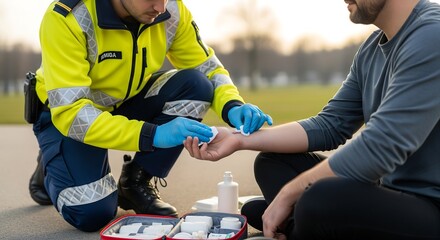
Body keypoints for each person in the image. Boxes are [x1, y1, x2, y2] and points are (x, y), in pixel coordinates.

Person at [184, 0, 440, 239]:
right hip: (392, 194)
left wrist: (289, 193)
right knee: (272, 161)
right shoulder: (371, 49)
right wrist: (239, 139)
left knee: (318, 198)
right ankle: (305, 223)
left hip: (431, 207)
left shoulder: (432, 35)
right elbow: (330, 125)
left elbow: (381, 146)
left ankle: (301, 221)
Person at [27, 0, 272, 232]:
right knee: (92, 213)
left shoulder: (170, 10)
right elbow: (72, 113)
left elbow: (206, 68)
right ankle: (52, 161)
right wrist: (153, 135)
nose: (160, 7)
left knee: (196, 85)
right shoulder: (67, 18)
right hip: (68, 117)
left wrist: (232, 105)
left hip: (125, 101)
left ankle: (135, 182)